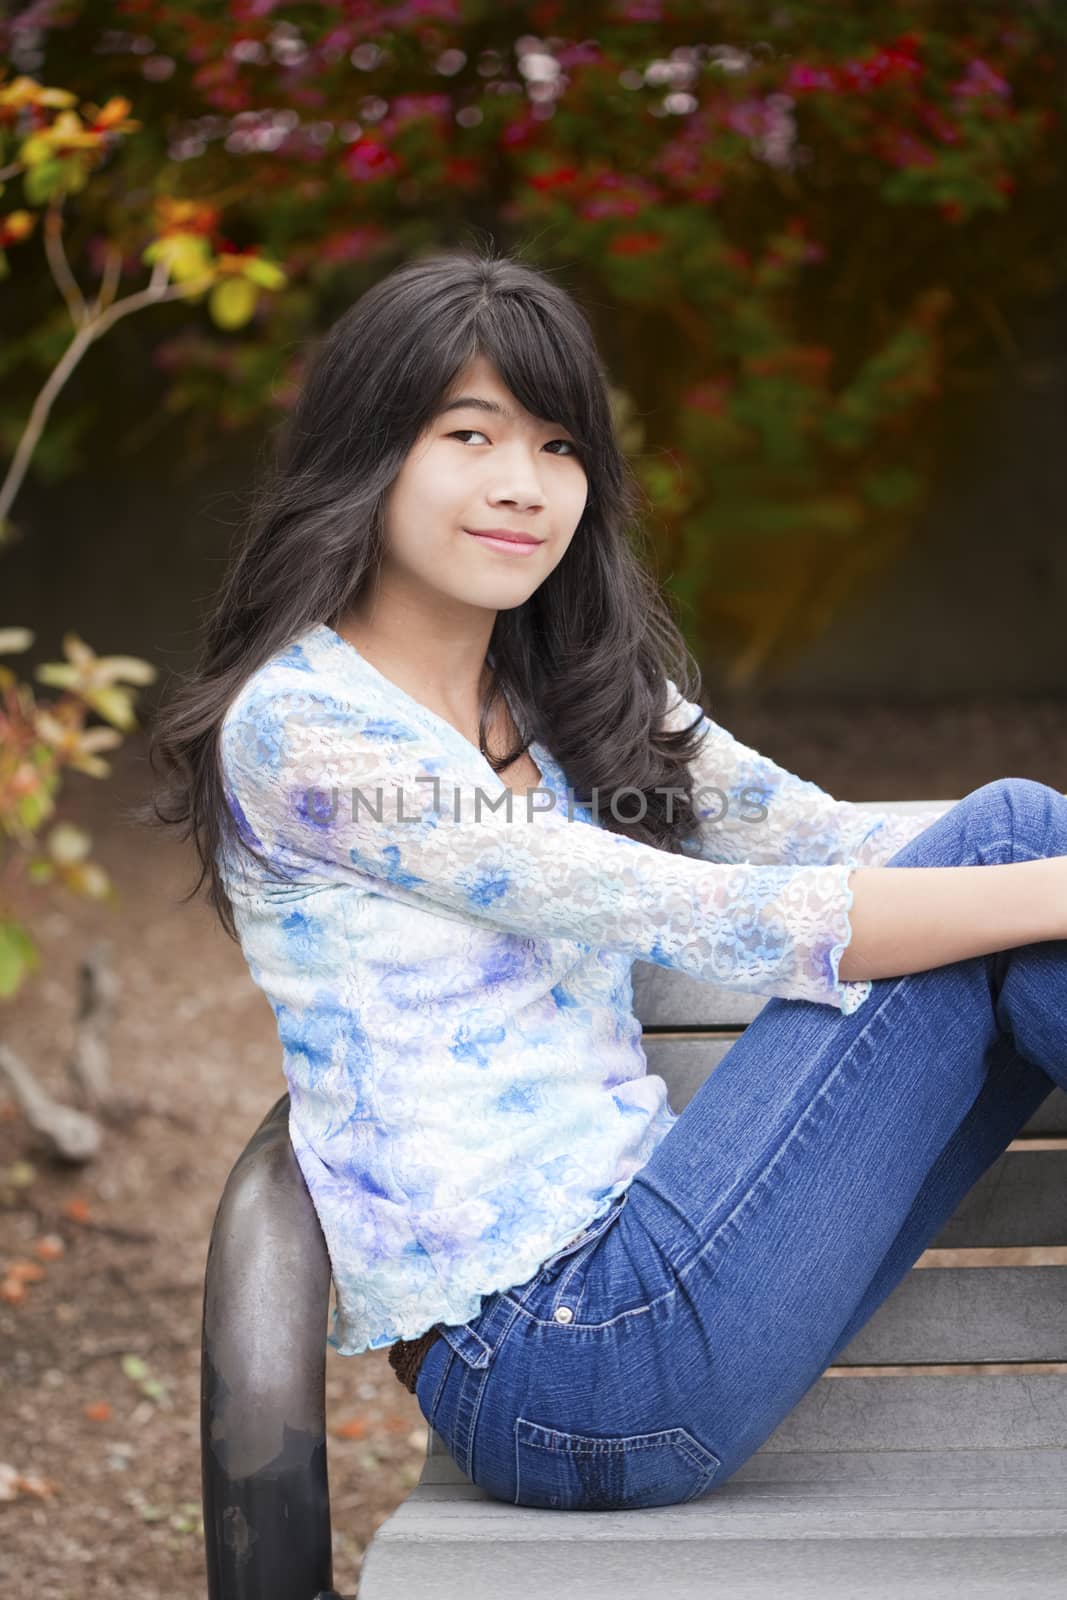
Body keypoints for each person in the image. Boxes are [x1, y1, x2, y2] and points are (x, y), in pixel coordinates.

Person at [142, 246, 1067, 1511]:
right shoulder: (305, 733)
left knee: (1010, 847)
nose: (523, 485)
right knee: (1012, 838)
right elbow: (709, 914)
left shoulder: (560, 686)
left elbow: (821, 840)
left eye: (560, 445)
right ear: (367, 455)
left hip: (665, 1277)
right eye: (470, 433)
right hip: (555, 1358)